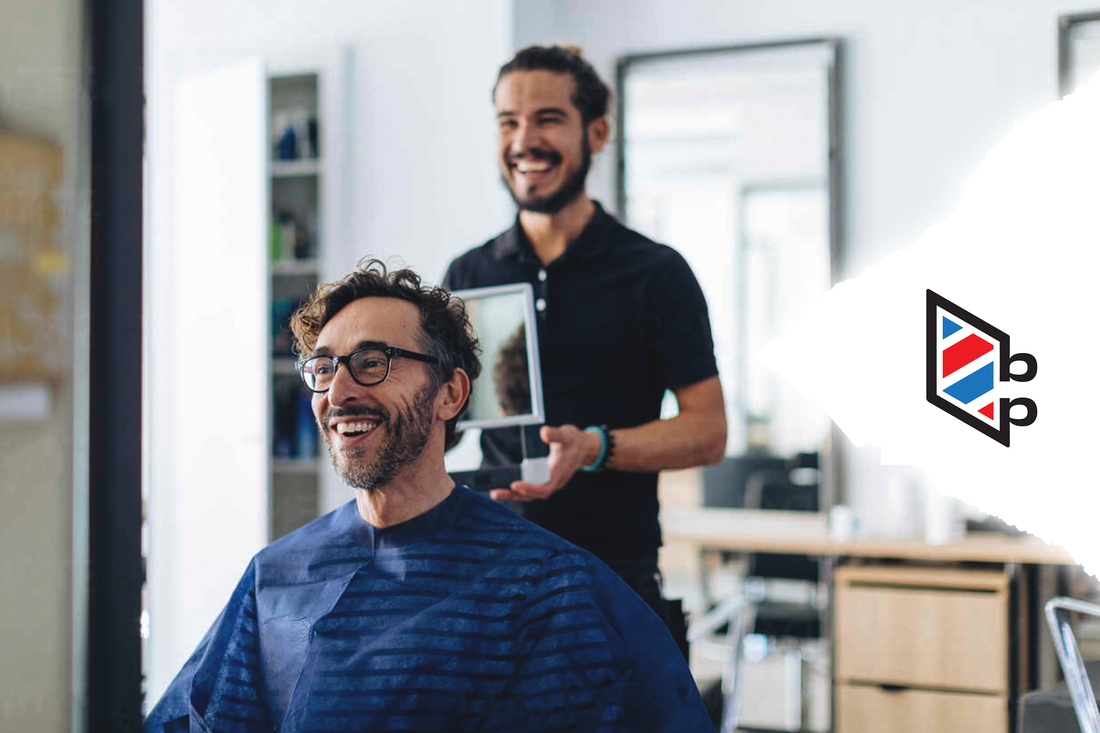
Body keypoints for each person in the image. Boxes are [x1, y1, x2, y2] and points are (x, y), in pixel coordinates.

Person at [144, 259, 713, 732]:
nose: (338, 392)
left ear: (450, 393)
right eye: (323, 368)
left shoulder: (546, 586)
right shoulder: (274, 576)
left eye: (372, 363)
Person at [443, 45, 727, 632]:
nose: (524, 140)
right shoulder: (468, 276)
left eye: (548, 119)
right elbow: (445, 421)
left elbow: (708, 431)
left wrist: (594, 447)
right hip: (490, 577)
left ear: (596, 133)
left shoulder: (655, 272)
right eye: (508, 121)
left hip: (615, 583)